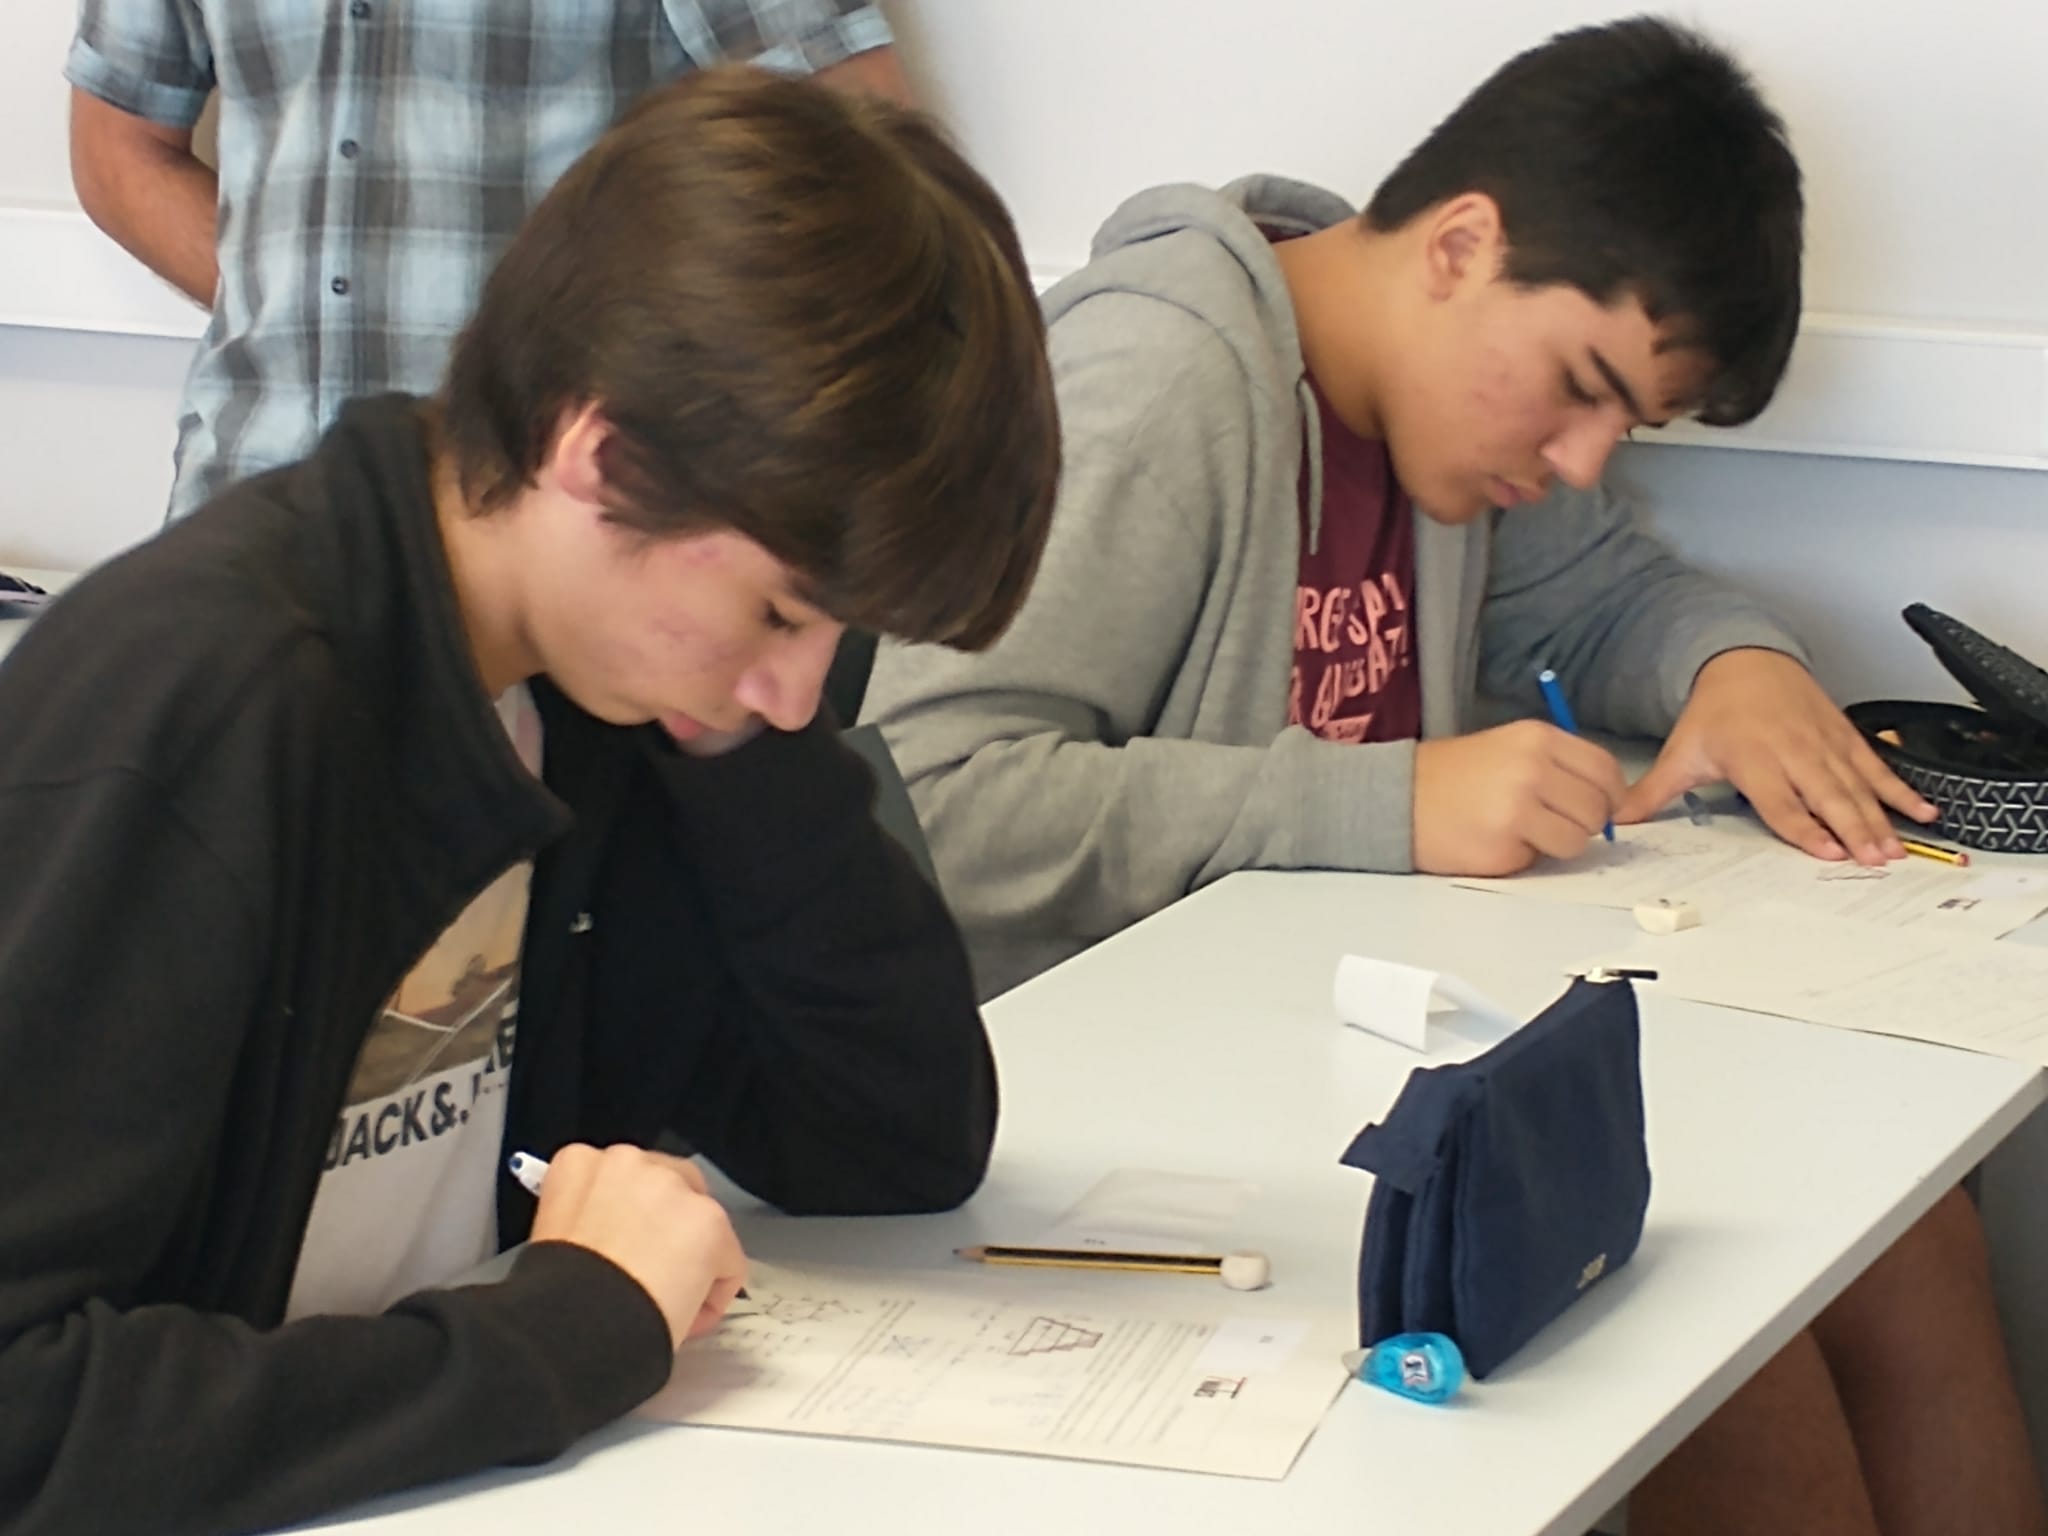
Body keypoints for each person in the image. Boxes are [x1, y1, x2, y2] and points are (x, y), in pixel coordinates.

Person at [861, 18, 2045, 1535]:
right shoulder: (1159, 378)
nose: (1583, 461)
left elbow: (1608, 598)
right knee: (1724, 1336)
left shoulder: (1434, 412)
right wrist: (1389, 799)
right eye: (1579, 387)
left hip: (1333, 1058)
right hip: (1091, 1128)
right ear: (1461, 246)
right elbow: (931, 800)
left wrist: (1732, 664)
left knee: (1904, 1238)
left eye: (1627, 424)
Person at [0, 68, 1058, 1536]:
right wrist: (563, 1334)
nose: (796, 692)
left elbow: (893, 1150)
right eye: (778, 611)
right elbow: (23, 1420)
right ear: (601, 457)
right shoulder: (210, 710)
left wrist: (740, 751)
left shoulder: (607, 699)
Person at [65, 0, 912, 521]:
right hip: (249, 505)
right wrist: (279, 296)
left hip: (550, 528)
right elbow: (117, 147)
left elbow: (860, 151)